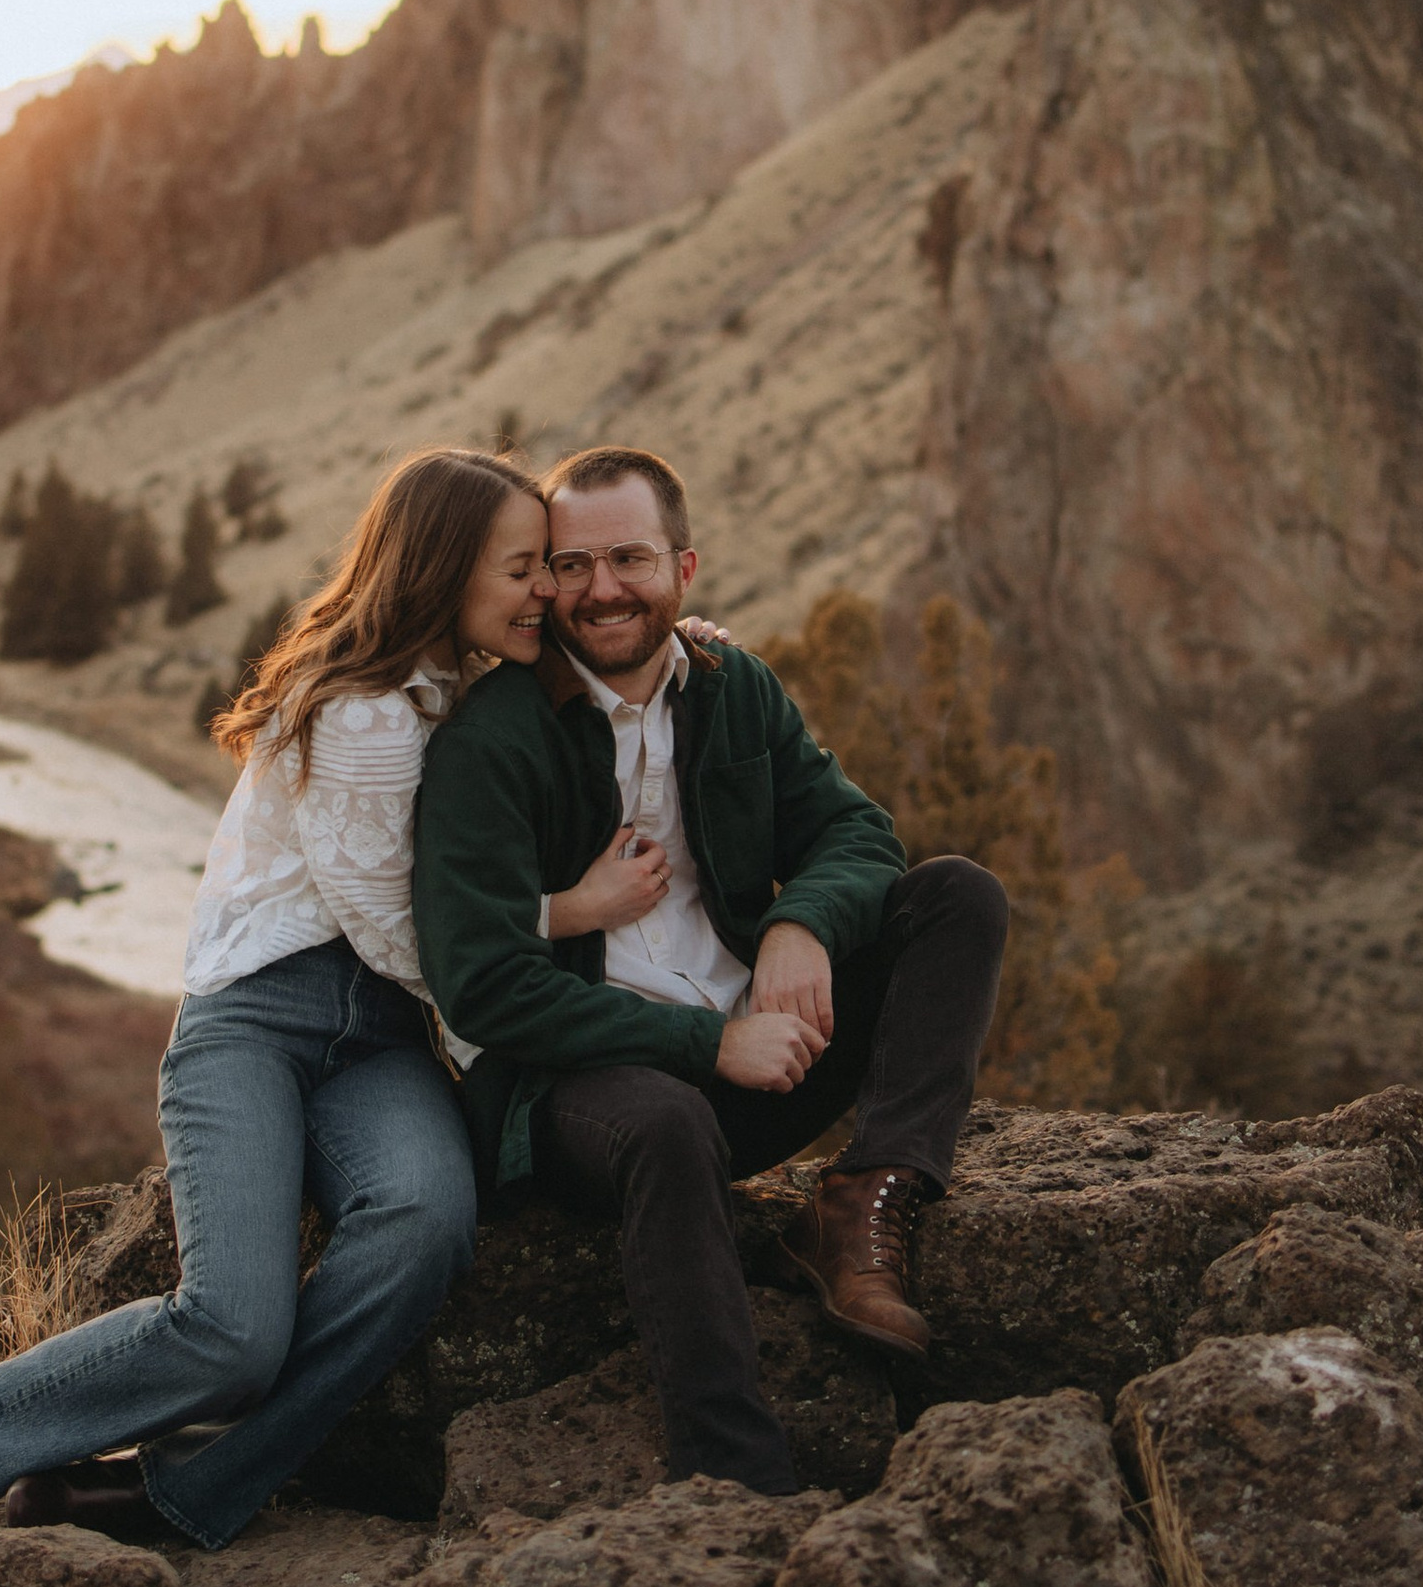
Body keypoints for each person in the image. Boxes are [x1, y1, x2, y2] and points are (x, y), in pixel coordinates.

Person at [0, 446, 652, 1550]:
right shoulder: (360, 714)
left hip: (381, 1038)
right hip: (258, 1020)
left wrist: (686, 643)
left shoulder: (464, 689)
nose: (545, 590)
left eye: (547, 567)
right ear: (443, 570)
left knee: (424, 1228)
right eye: (523, 568)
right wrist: (569, 913)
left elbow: (605, 670)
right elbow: (409, 935)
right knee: (234, 1330)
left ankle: (174, 1487)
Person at [410, 442, 1009, 1499]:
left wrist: (800, 928)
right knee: (666, 1118)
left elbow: (856, 833)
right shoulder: (491, 741)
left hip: (760, 1061)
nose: (602, 589)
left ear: (683, 570)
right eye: (572, 564)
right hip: (583, 1099)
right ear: (544, 580)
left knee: (956, 896)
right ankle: (732, 1476)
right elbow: (485, 985)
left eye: (630, 559)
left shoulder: (733, 688)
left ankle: (858, 1207)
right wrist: (710, 1043)